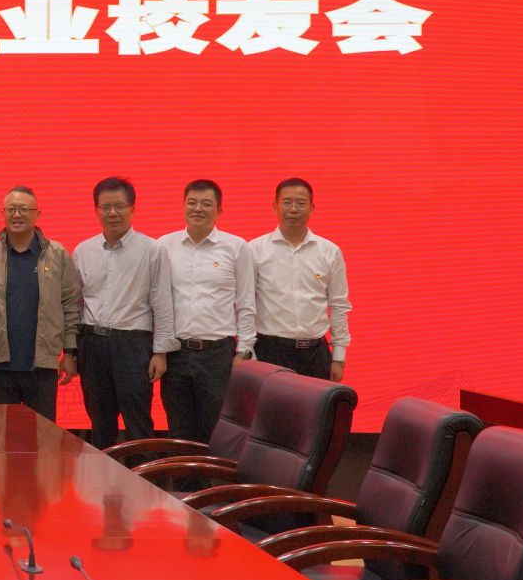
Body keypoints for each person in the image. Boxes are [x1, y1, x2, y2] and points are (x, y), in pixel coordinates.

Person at [71, 177, 177, 449]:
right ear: (96, 210)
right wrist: (70, 351)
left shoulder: (152, 249)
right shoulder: (83, 251)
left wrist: (161, 352)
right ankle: (102, 475)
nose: (112, 213)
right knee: (99, 421)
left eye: (119, 206)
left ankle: (141, 475)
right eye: (105, 207)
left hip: (132, 345)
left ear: (132, 209)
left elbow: (162, 303)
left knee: (137, 421)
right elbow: (75, 305)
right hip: (92, 344)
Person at [157, 179, 257, 443]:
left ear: (219, 210)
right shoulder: (163, 246)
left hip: (218, 356)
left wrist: (244, 351)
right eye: (192, 202)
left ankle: (213, 474)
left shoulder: (237, 247)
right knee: (179, 433)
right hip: (176, 355)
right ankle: (181, 473)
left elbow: (246, 303)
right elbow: (157, 302)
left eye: (206, 204)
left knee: (215, 432)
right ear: (183, 206)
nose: (197, 209)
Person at [0, 186, 79, 422]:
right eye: (11, 209)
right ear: (2, 214)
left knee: (43, 435)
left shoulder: (57, 254)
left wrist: (69, 352)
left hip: (42, 366)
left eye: (24, 209)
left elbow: (71, 304)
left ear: (38, 214)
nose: (17, 215)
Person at [249, 177, 351, 381]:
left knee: (317, 403)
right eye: (287, 202)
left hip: (315, 354)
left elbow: (339, 305)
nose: (293, 209)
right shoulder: (254, 250)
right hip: (269, 353)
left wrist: (339, 356)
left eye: (301, 203)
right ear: (275, 206)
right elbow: (244, 304)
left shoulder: (329, 252)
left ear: (312, 208)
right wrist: (248, 352)